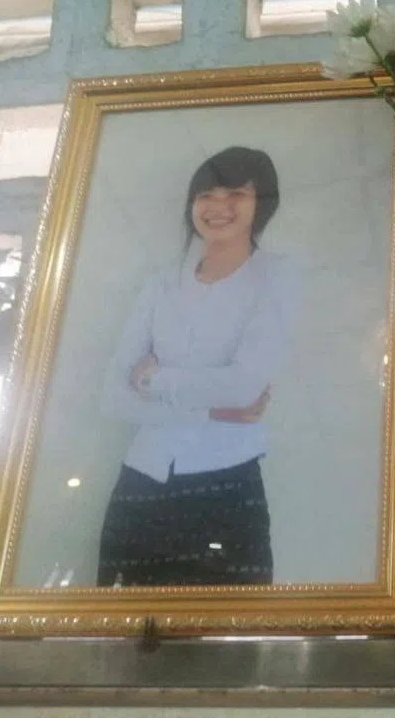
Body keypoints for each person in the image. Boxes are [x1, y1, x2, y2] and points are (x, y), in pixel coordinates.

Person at [96, 146, 296, 587]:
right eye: (206, 194)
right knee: (121, 620)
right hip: (139, 483)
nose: (218, 206)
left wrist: (153, 379)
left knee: (227, 624)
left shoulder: (276, 277)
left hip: (227, 485)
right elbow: (113, 397)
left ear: (262, 204)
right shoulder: (160, 282)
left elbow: (243, 386)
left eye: (236, 194)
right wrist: (210, 410)